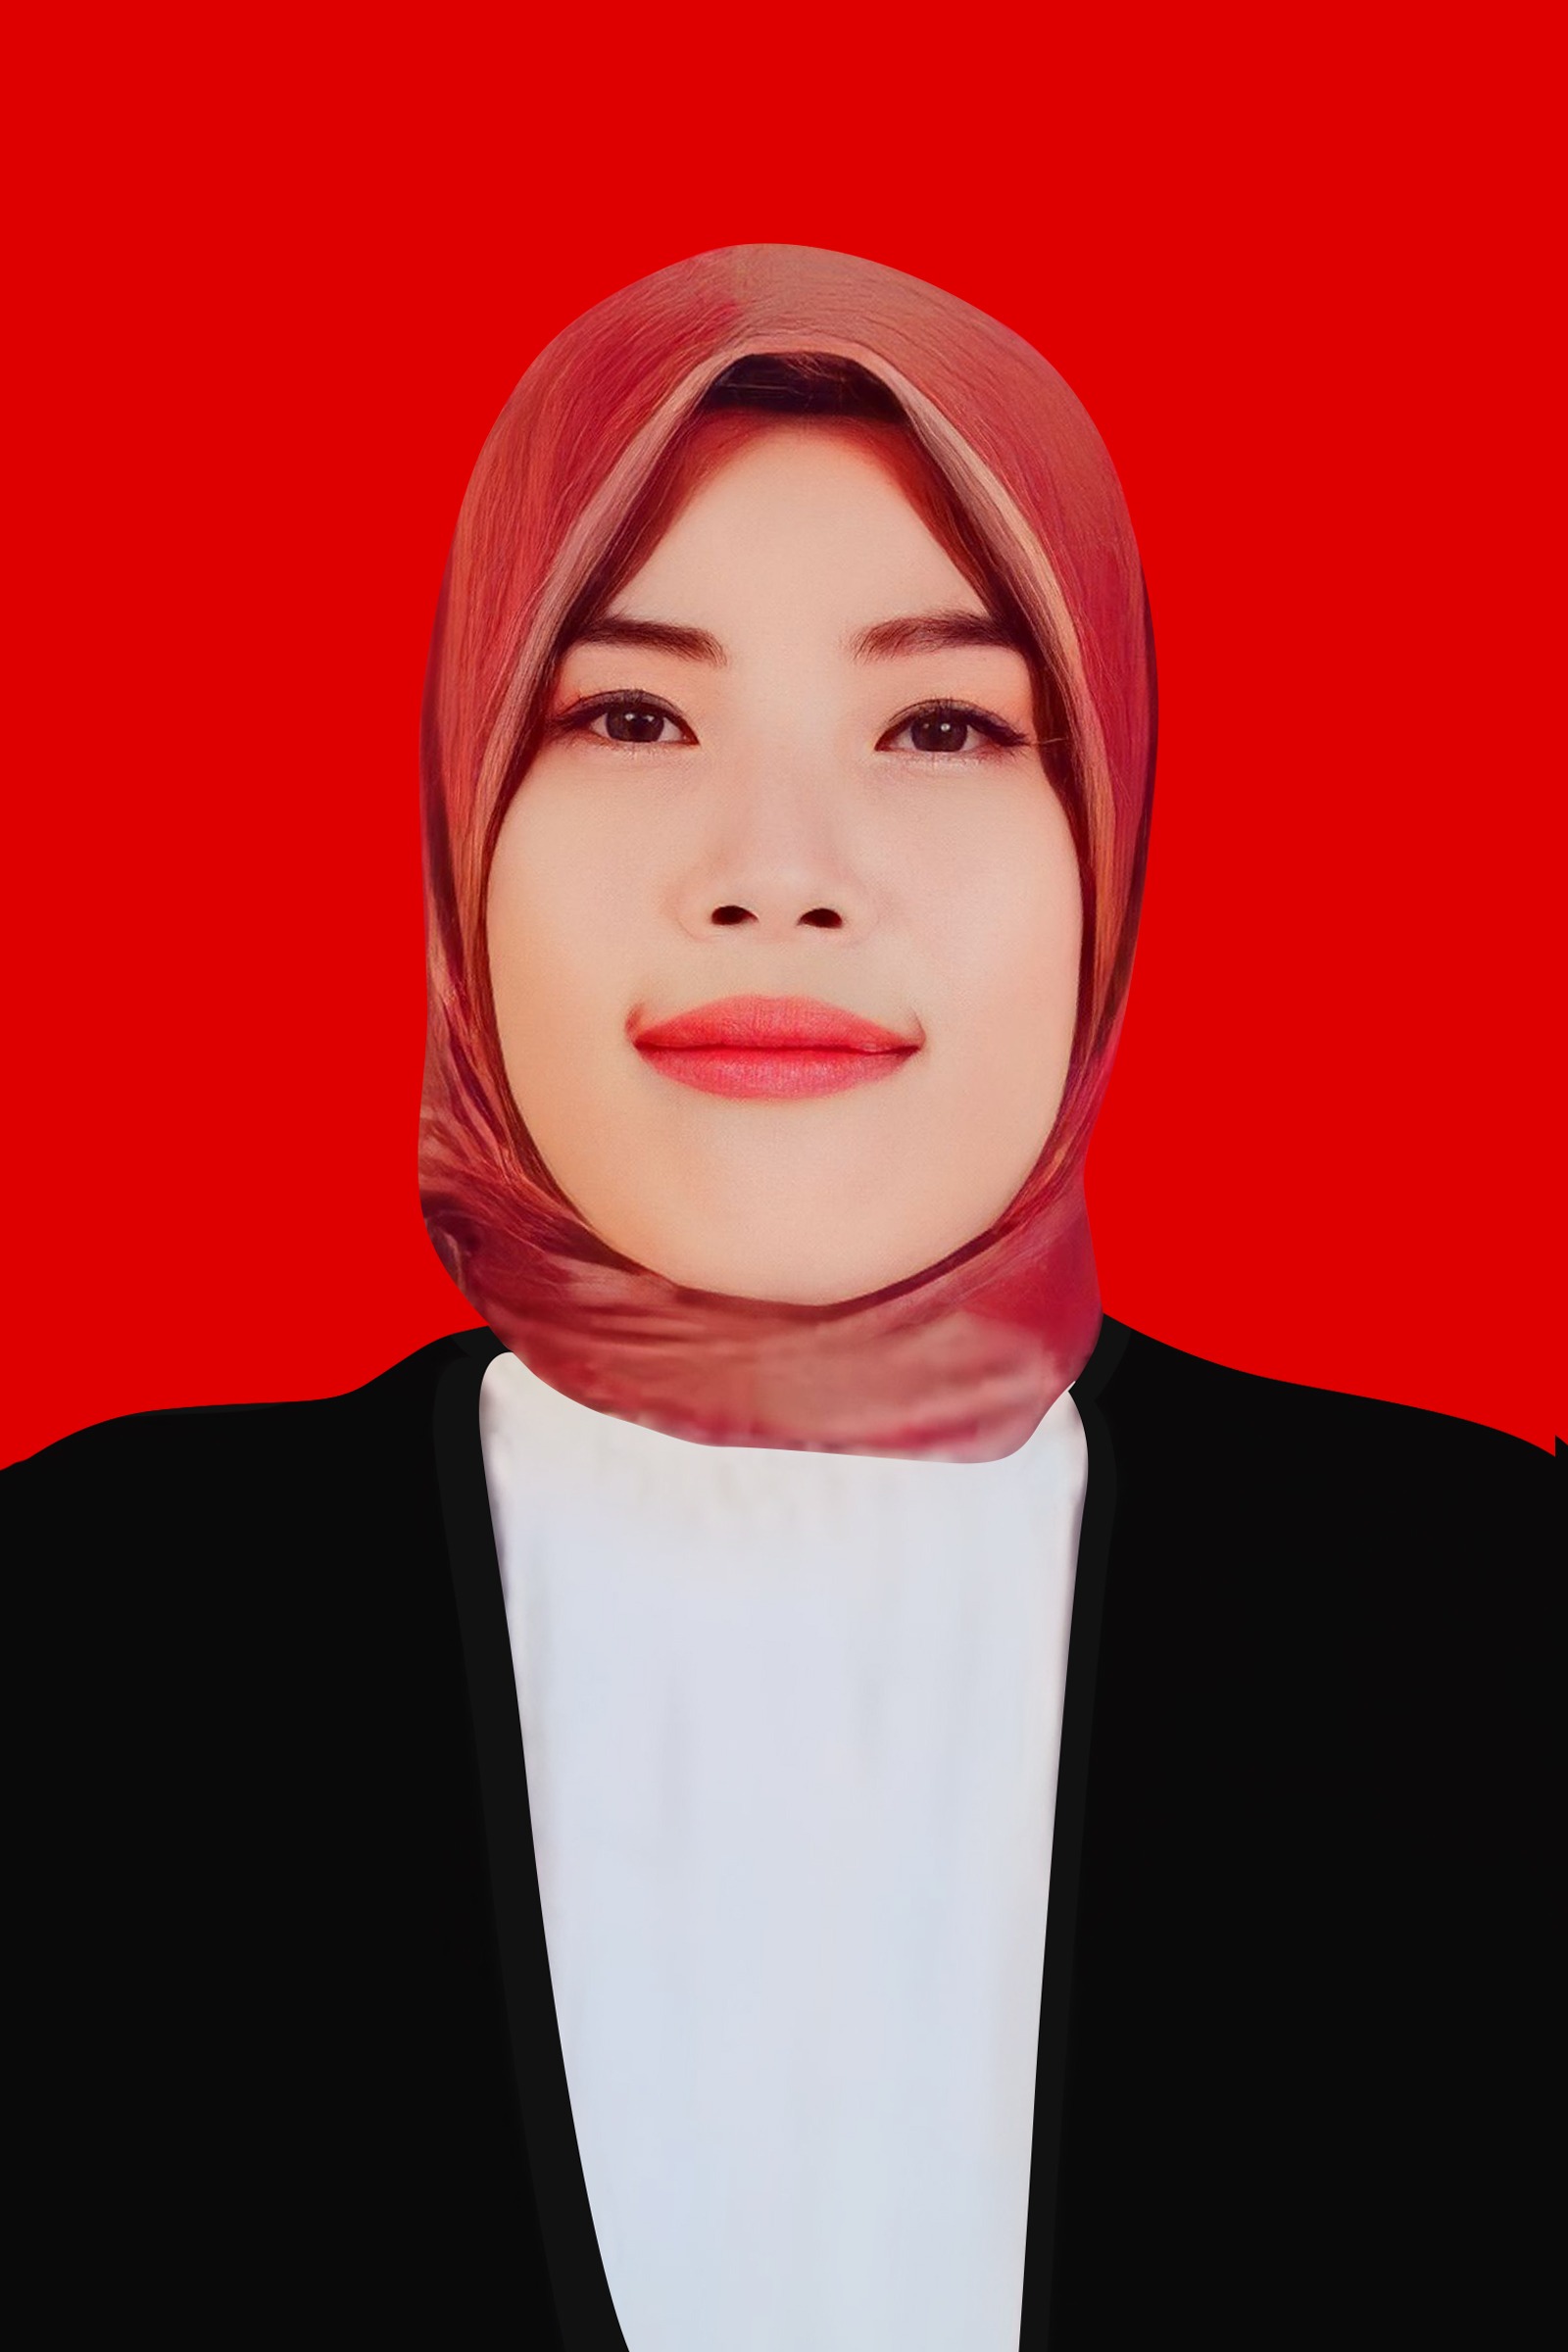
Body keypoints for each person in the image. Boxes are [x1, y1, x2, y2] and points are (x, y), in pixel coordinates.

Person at [8, 247, 1553, 2347]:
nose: (778, 871)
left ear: (1105, 837)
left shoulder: (1493, 1614)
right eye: (630, 713)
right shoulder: (80, 1624)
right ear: (465, 817)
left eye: (942, 722)